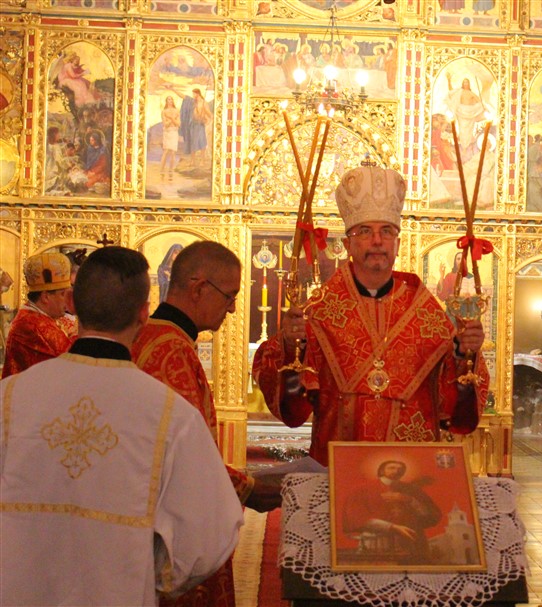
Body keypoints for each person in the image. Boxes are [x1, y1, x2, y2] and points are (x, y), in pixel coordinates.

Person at [0, 246, 243, 606]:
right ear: (144, 313)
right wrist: (149, 579)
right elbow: (209, 536)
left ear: (73, 304)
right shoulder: (171, 414)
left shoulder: (8, 398)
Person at [252, 165, 489, 466]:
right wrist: (290, 346)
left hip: (413, 470)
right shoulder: (318, 314)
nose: (377, 240)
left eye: (387, 231)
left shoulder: (428, 314)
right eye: (365, 231)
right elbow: (293, 411)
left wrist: (464, 353)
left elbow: (458, 415)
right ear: (347, 244)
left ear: (397, 244)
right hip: (339, 470)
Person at [132, 240, 281, 607]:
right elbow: (183, 455)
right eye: (229, 297)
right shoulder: (171, 349)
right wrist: (247, 487)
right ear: (198, 288)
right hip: (172, 527)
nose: (232, 309)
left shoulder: (152, 336)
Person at [341, 460, 442, 562]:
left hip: (411, 541)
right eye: (391, 468)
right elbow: (356, 517)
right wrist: (392, 527)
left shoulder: (413, 490)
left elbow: (431, 515)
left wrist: (409, 500)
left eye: (400, 469)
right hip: (378, 541)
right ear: (381, 471)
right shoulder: (363, 489)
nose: (397, 471)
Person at [1, 252, 75, 379]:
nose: (67, 300)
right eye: (62, 294)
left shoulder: (34, 317)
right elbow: (73, 360)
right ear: (46, 297)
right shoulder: (34, 325)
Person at [160, 96, 180, 180]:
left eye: (171, 99)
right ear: (166, 101)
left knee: (173, 152)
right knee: (166, 151)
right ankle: (162, 169)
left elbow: (178, 124)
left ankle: (170, 170)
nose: (170, 100)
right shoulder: (164, 111)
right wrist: (173, 119)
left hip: (174, 132)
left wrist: (171, 118)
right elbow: (165, 124)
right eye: (168, 99)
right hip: (167, 132)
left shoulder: (176, 111)